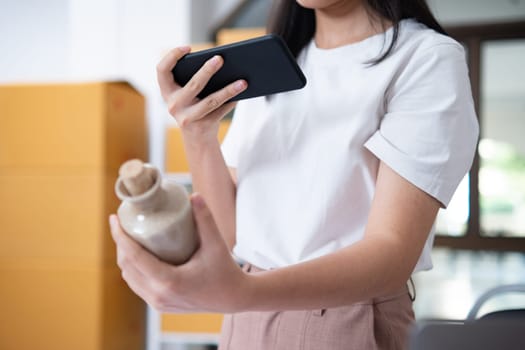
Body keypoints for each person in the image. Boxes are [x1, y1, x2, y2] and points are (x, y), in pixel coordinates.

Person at [109, 0, 479, 348]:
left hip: (347, 318)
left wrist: (241, 292)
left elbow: (391, 254)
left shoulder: (424, 58)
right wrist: (197, 132)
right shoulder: (273, 63)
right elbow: (228, 232)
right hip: (246, 317)